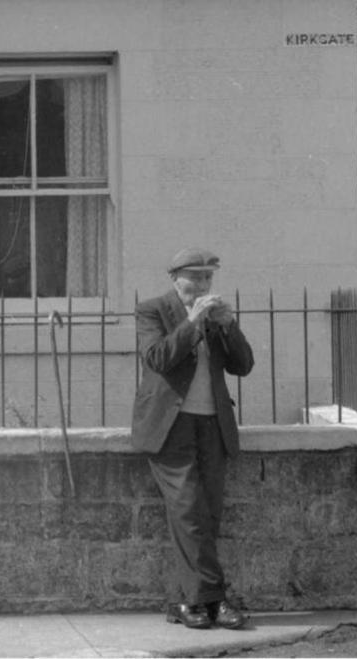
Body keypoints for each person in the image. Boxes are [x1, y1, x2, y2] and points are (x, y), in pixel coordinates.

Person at [131, 247, 254, 630]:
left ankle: (187, 603)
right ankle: (214, 601)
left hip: (212, 426)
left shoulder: (214, 319)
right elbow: (156, 357)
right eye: (195, 278)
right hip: (170, 428)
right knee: (188, 511)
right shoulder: (153, 310)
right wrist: (192, 321)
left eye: (207, 278)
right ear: (175, 279)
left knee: (207, 514)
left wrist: (228, 326)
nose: (202, 285)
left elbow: (244, 366)